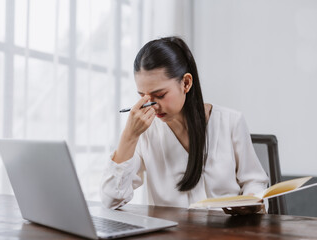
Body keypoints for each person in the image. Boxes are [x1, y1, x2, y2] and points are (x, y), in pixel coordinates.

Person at [100, 36, 269, 215]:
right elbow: (111, 200)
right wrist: (129, 136)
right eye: (142, 96)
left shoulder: (231, 122)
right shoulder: (145, 133)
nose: (151, 105)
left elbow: (255, 182)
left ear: (186, 83)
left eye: (160, 94)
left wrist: (251, 199)